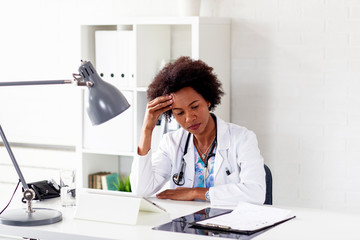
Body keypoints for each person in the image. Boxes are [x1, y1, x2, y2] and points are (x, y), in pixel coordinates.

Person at [130, 56, 265, 206]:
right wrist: (147, 129)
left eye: (194, 107)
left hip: (227, 224)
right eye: (179, 113)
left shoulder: (242, 138)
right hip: (182, 224)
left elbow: (256, 193)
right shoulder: (171, 143)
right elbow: (140, 190)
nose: (189, 118)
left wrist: (195, 192)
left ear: (208, 100)